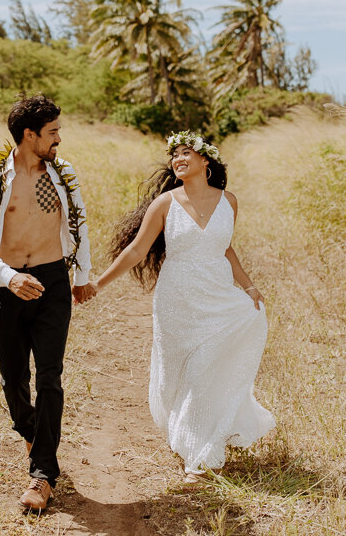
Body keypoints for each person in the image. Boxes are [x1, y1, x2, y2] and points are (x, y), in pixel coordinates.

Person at [94, 130, 274, 483]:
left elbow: (225, 247)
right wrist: (98, 284)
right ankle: (188, 431)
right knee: (176, 376)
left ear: (205, 160)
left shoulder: (229, 201)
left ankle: (199, 457)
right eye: (174, 154)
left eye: (185, 152)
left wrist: (248, 286)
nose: (177, 159)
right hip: (177, 299)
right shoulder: (165, 204)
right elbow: (136, 251)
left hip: (218, 296)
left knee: (203, 371)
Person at [0, 95, 97, 510]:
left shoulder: (63, 173)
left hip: (53, 281)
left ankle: (42, 475)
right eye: (53, 132)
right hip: (8, 287)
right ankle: (33, 434)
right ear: (29, 134)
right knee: (13, 379)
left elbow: (79, 223)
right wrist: (8, 276)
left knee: (50, 377)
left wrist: (82, 276)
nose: (60, 138)